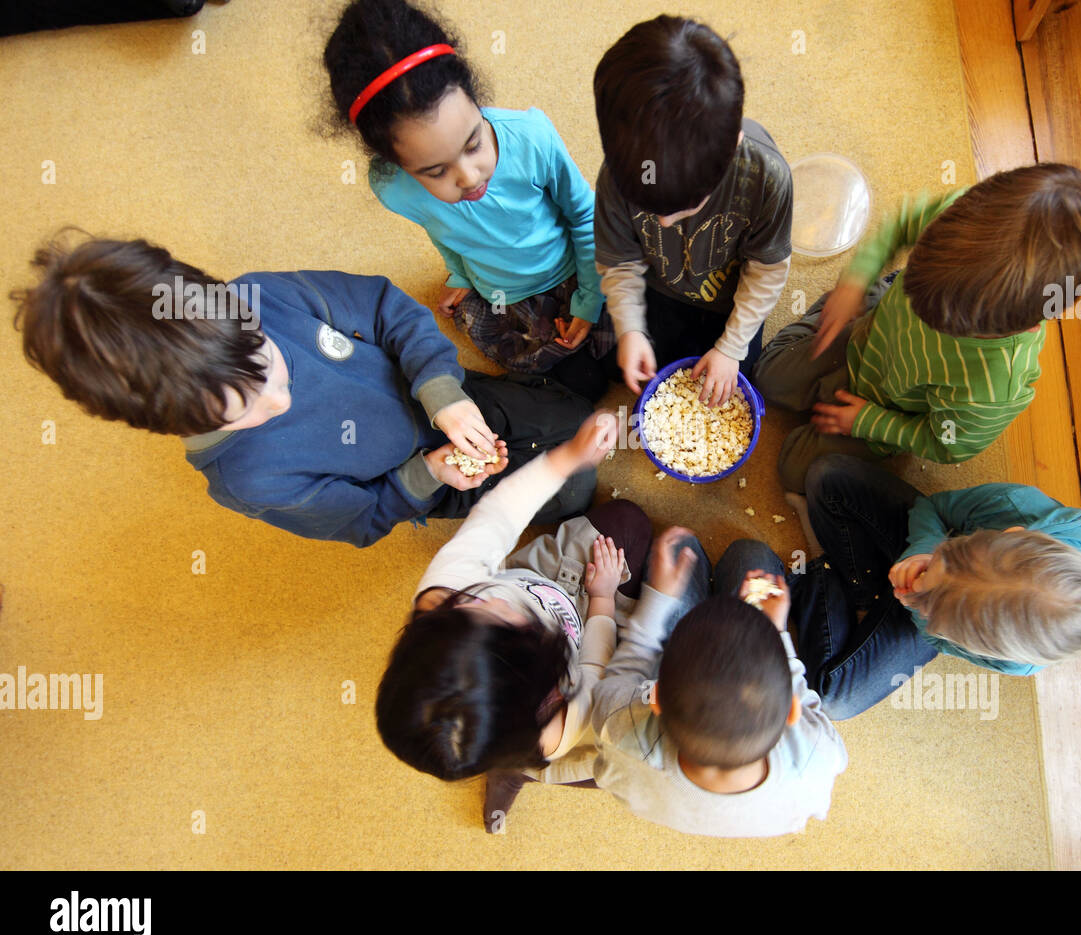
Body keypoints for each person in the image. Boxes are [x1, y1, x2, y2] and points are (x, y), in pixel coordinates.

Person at [12, 233, 594, 547]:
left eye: (269, 363)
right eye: (244, 413)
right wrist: (430, 475)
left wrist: (442, 391)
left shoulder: (263, 298)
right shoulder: (250, 481)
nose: (279, 401)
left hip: (451, 395)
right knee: (569, 494)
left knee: (572, 414)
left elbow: (386, 307)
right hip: (431, 482)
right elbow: (364, 520)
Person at [752, 164, 1081, 492]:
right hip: (866, 336)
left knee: (794, 470)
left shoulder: (990, 390)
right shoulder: (961, 218)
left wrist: (870, 423)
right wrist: (857, 279)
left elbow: (943, 442)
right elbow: (902, 225)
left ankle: (877, 306)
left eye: (940, 322)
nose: (923, 316)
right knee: (765, 377)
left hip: (886, 405)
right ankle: (874, 294)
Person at [377, 412, 658, 831]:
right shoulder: (553, 729)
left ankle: (506, 764)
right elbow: (594, 672)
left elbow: (498, 518)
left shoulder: (443, 595)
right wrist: (601, 597)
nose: (499, 601)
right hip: (585, 621)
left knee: (628, 520)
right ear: (543, 696)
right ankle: (513, 771)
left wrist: (567, 458)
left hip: (548, 576)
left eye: (475, 608)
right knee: (618, 756)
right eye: (511, 625)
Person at [324, 0, 614, 403]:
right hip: (504, 294)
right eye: (435, 171)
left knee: (632, 330)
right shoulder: (392, 187)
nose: (469, 176)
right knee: (582, 382)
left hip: (575, 268)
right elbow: (440, 229)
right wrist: (459, 274)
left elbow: (586, 217)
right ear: (397, 163)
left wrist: (588, 300)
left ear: (474, 97)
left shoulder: (531, 136)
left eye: (473, 143)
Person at [788, 454, 1081, 719]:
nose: (920, 584)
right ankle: (864, 588)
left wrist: (918, 609)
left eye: (930, 603)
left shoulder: (1017, 660)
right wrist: (923, 548)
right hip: (929, 555)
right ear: (1011, 532)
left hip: (929, 623)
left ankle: (835, 579)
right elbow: (934, 509)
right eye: (944, 559)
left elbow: (938, 635)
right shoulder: (1015, 504)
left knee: (833, 701)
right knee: (827, 474)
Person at [590, 530, 848, 837]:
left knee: (682, 548)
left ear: (655, 698)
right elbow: (818, 723)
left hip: (670, 731)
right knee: (751, 555)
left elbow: (623, 674)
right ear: (791, 712)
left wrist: (658, 601)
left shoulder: (621, 732)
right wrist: (776, 631)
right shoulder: (815, 759)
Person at [592, 14, 793, 408]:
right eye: (652, 210)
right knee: (620, 361)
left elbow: (767, 272)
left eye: (681, 209)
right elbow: (619, 261)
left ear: (732, 148)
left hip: (726, 296)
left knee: (731, 386)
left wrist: (731, 347)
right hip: (661, 287)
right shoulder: (618, 174)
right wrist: (630, 329)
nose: (664, 223)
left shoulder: (767, 178)